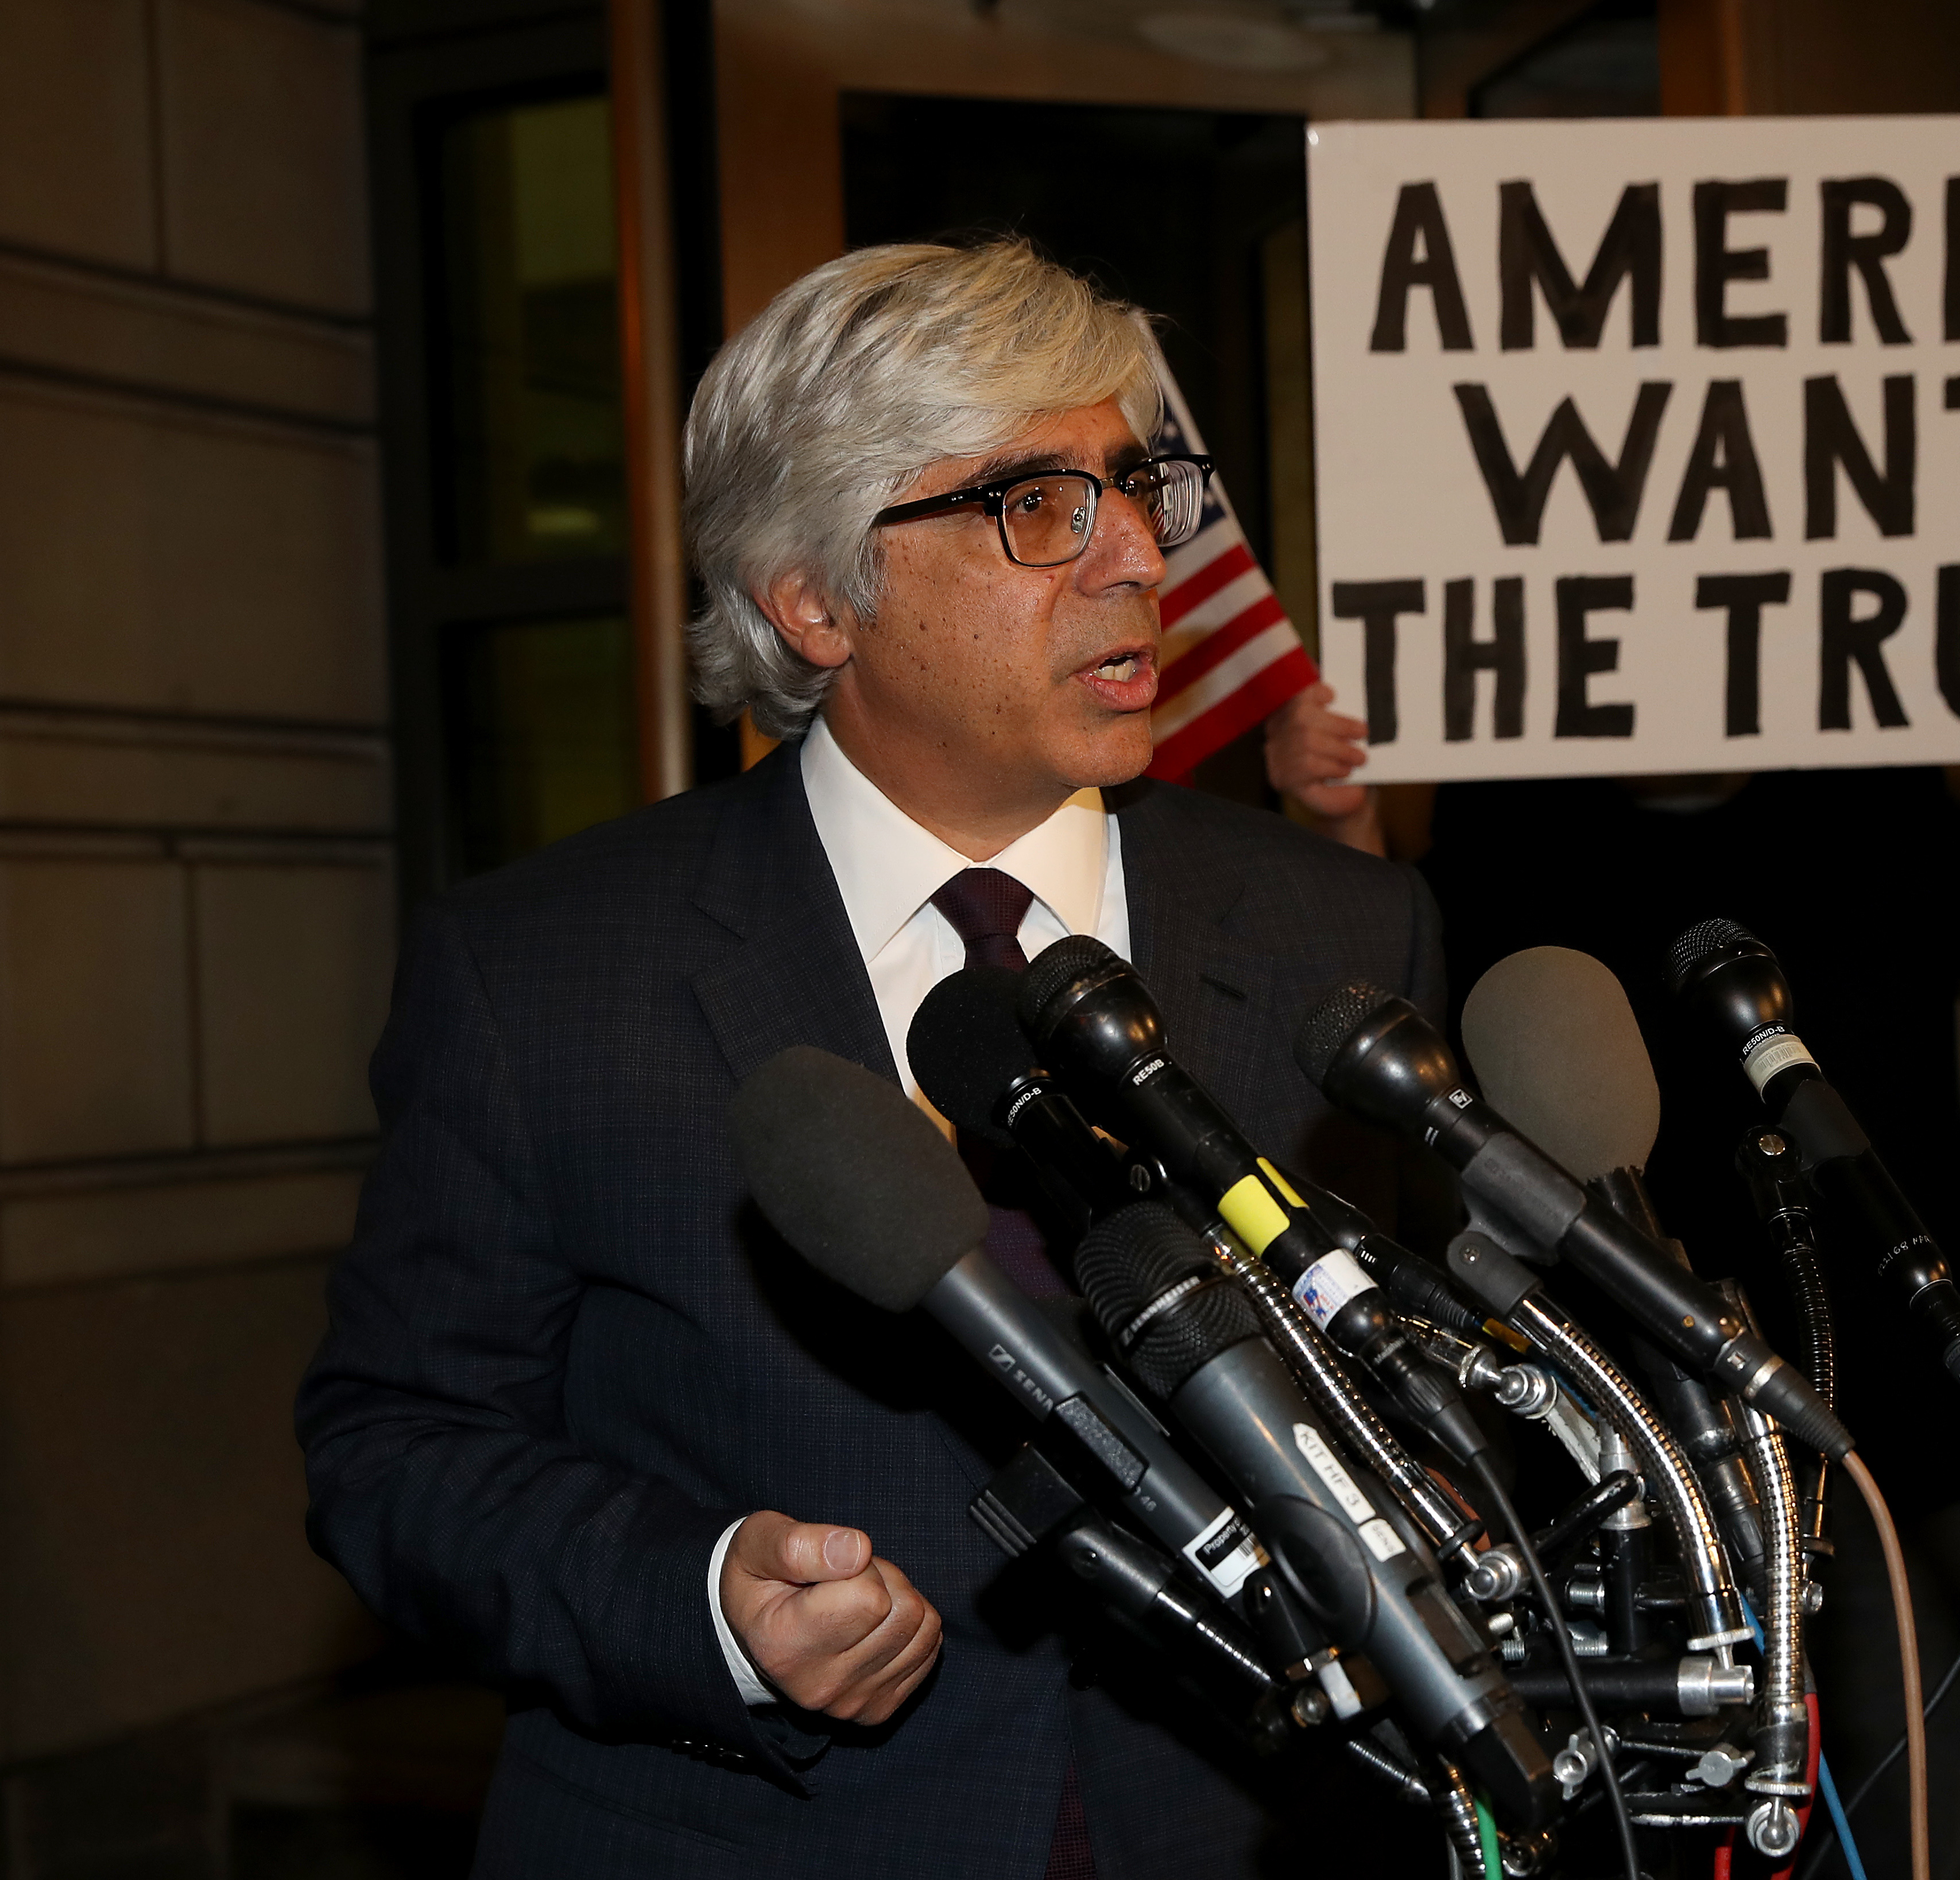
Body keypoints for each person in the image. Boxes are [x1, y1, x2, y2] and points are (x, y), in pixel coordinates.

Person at [297, 242, 1446, 1880]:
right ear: (814, 596)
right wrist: (704, 1597)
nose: (1135, 554)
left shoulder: (1343, 929)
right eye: (1037, 503)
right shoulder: (540, 972)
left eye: (1136, 483)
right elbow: (396, 1447)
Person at [1263, 633, 1960, 1879]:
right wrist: (1328, 824)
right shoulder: (1515, 814)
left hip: (1881, 1426)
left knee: (1897, 1797)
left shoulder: (1863, 792)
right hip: (1606, 1433)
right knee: (1631, 1813)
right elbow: (1389, 1000)